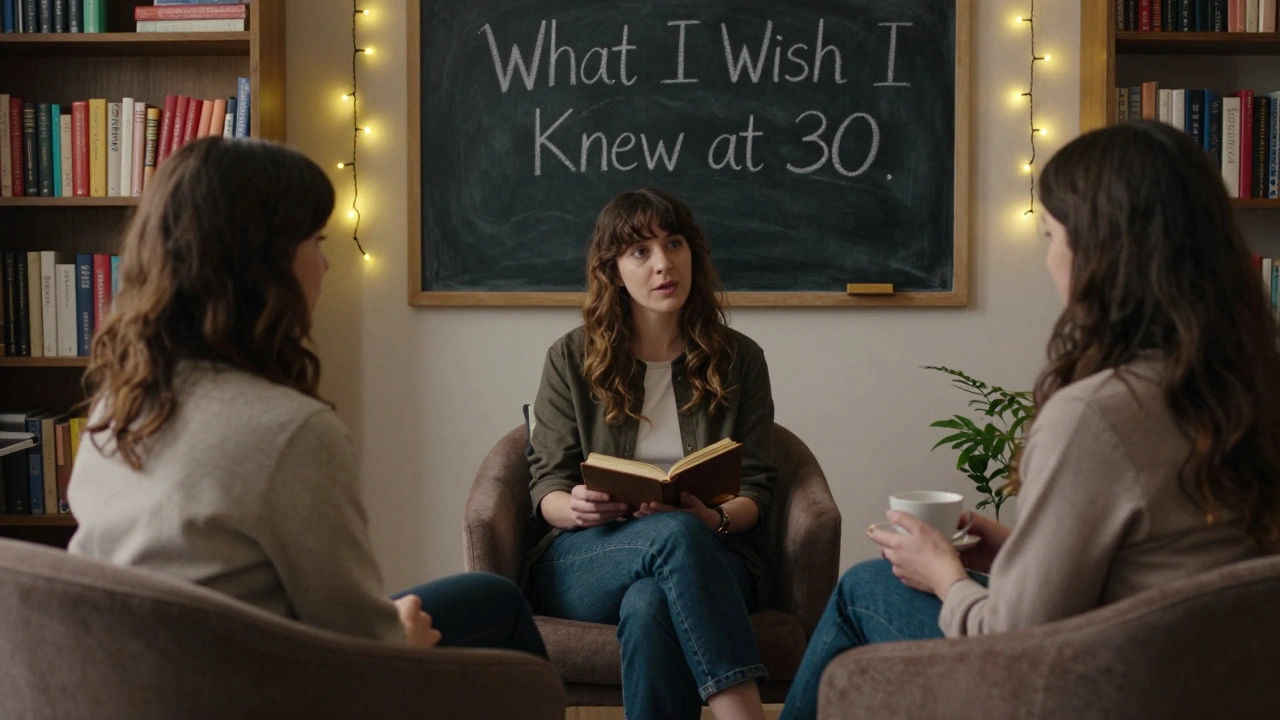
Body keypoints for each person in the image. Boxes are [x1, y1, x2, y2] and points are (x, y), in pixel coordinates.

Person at [779, 120, 1280, 720]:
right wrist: (1016, 553)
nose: (1049, 260)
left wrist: (943, 574)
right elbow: (1169, 566)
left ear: (1100, 251)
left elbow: (1015, 639)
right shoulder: (1250, 381)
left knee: (864, 588)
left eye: (1050, 235)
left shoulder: (1097, 415)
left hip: (1103, 687)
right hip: (1208, 678)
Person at [67, 137, 546, 657]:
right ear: (262, 265)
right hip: (266, 687)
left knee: (488, 598)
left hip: (146, 673)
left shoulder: (119, 405)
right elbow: (360, 644)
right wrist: (399, 636)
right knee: (498, 605)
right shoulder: (289, 431)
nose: (327, 265)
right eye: (316, 242)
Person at [526, 187, 776, 720]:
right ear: (615, 271)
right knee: (675, 536)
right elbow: (545, 483)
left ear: (693, 253)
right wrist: (575, 507)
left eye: (675, 243)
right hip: (590, 555)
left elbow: (757, 487)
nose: (664, 264)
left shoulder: (741, 360)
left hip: (713, 551)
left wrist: (715, 518)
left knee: (650, 605)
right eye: (640, 251)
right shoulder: (571, 357)